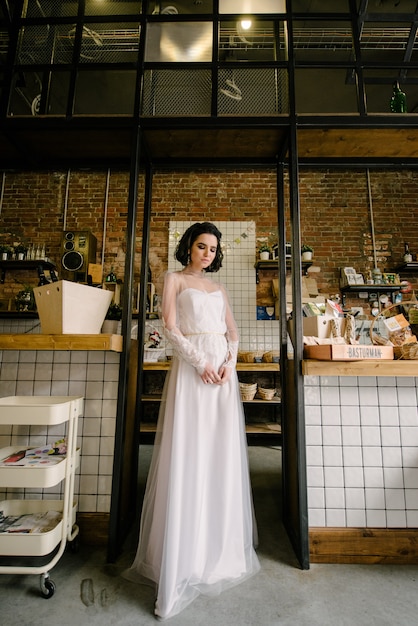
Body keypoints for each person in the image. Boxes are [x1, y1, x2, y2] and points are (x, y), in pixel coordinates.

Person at [124, 222, 260, 620]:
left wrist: (227, 365)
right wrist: (200, 362)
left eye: (214, 249)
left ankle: (218, 547)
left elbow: (232, 331)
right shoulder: (174, 280)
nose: (207, 253)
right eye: (202, 246)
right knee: (190, 451)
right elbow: (170, 326)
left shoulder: (219, 290)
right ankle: (182, 556)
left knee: (220, 452)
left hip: (221, 375)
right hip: (192, 369)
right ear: (189, 247)